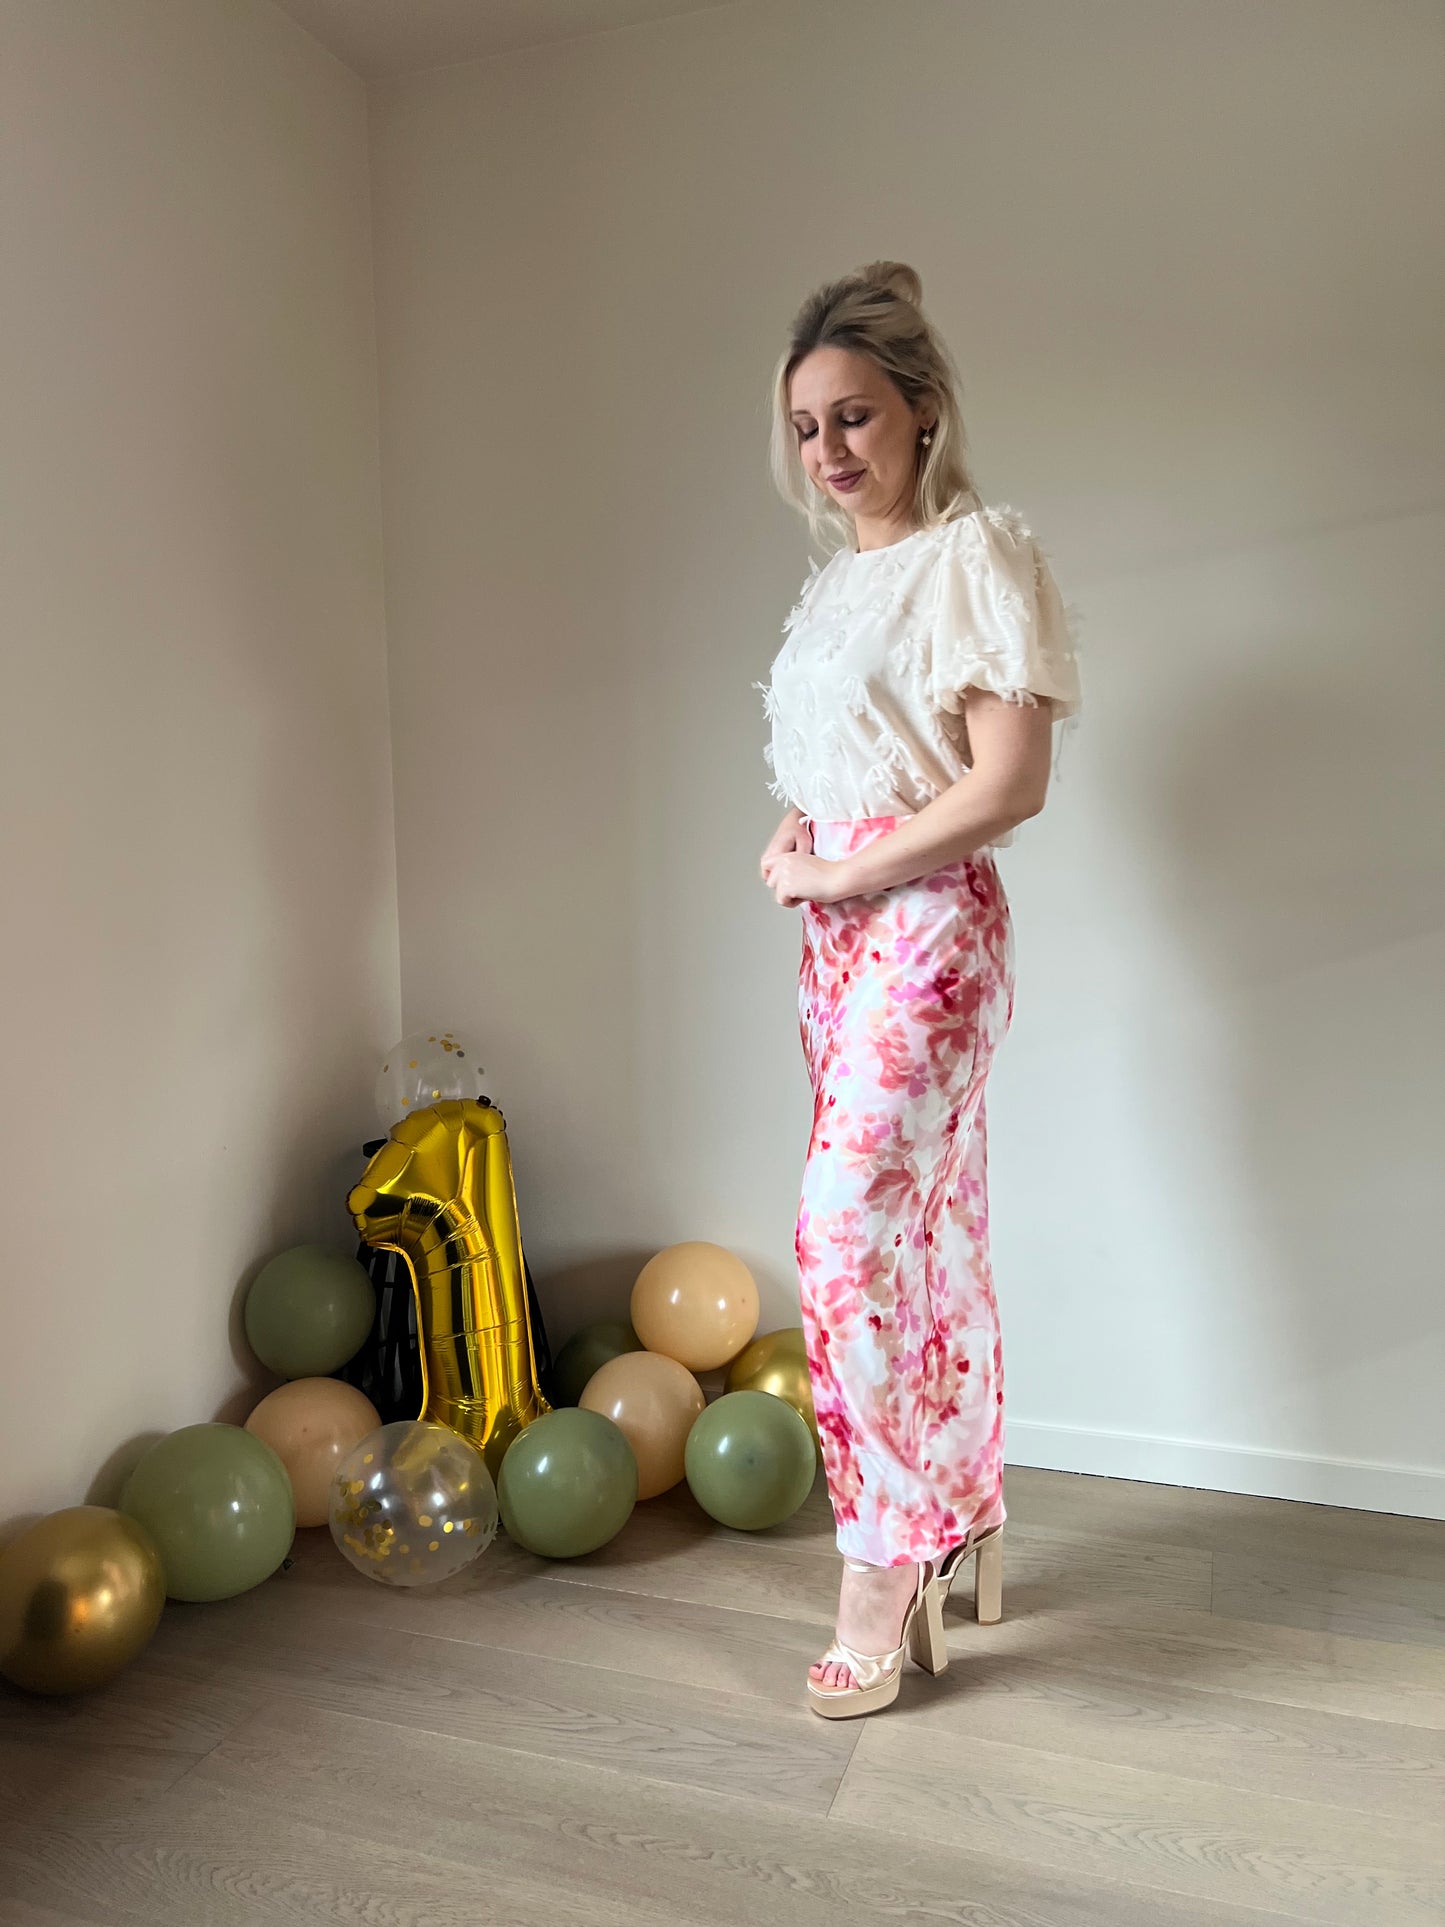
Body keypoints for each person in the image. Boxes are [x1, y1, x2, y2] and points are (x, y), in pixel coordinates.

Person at [754, 260, 1080, 1718]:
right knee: (920, 1236)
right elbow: (846, 762)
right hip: (834, 933)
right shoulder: (832, 587)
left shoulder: (974, 554)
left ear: (923, 412)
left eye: (856, 416)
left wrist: (852, 867)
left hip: (928, 927)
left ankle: (883, 1559)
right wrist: (797, 837)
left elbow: (1007, 781)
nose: (830, 451)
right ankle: (966, 1506)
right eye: (807, 426)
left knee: (838, 1236)